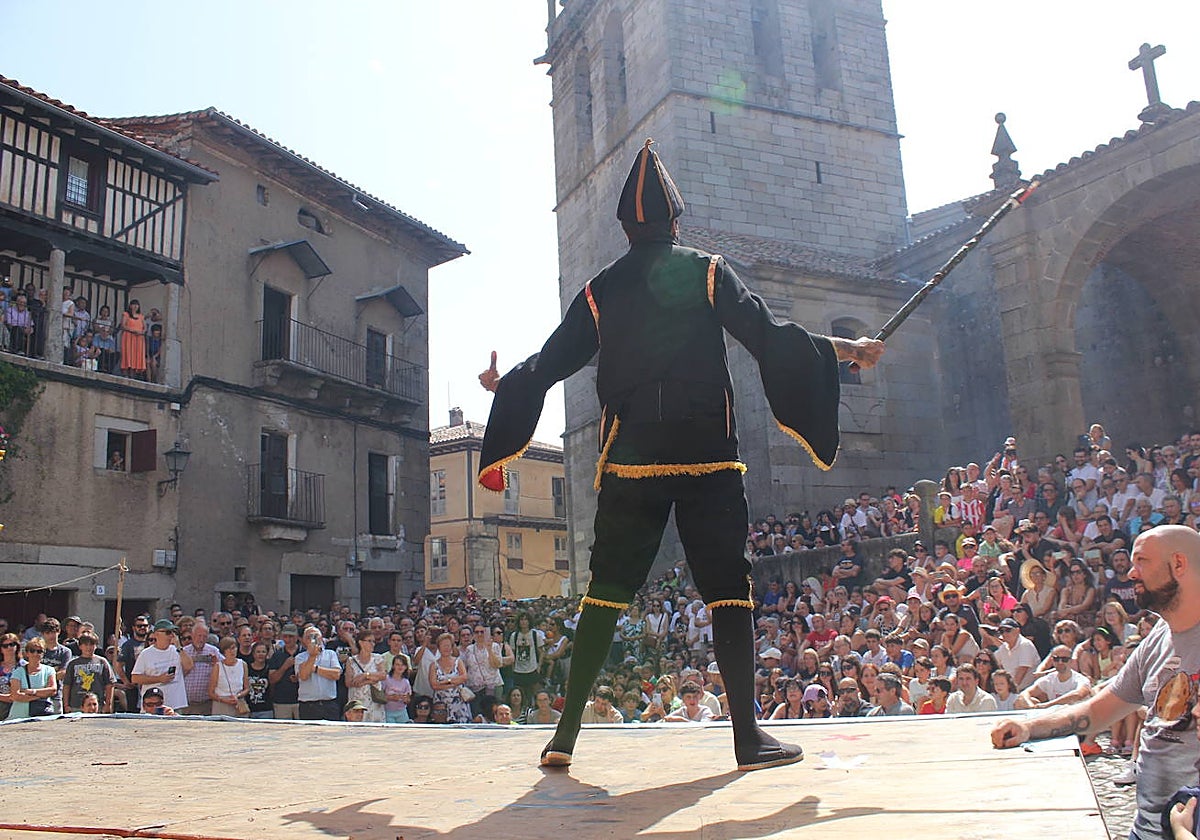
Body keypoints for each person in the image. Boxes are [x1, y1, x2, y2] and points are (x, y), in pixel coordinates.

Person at [476, 141, 884, 771]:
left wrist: (507, 390)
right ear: (675, 219)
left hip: (631, 463)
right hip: (707, 460)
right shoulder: (707, 269)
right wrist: (846, 350)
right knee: (728, 593)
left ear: (625, 226)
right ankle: (749, 738)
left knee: (605, 595)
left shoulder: (600, 289)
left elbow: (550, 361)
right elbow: (771, 340)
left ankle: (564, 736)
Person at [992, 526, 1200, 840]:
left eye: (1142, 561)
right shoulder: (1159, 636)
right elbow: (1101, 709)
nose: (1131, 573)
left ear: (1179, 564)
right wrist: (1030, 728)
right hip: (1147, 830)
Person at [130, 619, 191, 713]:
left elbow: (189, 666)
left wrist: (179, 646)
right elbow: (135, 678)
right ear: (156, 634)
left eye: (173, 632)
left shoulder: (177, 651)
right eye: (168, 632)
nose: (171, 635)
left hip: (175, 705)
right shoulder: (146, 654)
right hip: (152, 706)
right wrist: (159, 679)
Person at [295, 626, 342, 721]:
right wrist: (312, 656)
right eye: (309, 637)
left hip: (329, 705)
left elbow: (336, 674)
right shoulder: (300, 657)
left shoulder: (330, 654)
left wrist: (314, 669)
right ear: (304, 640)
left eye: (315, 636)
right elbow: (303, 676)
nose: (313, 639)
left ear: (321, 638)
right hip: (308, 706)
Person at [62, 632, 116, 713]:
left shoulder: (102, 662)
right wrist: (66, 705)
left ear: (96, 646)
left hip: (97, 705)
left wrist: (108, 704)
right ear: (80, 646)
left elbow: (110, 684)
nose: (88, 647)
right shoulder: (73, 663)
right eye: (85, 645)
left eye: (91, 644)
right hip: (76, 705)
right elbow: (67, 685)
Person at [8, 638, 56, 719]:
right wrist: (41, 695)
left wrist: (31, 692)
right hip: (19, 715)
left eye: (39, 651)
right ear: (27, 653)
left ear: (43, 653)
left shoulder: (49, 670)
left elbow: (52, 690)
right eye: (32, 651)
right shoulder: (18, 672)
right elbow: (15, 696)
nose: (35, 654)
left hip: (41, 715)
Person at [208, 636, 249, 717]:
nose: (232, 651)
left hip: (238, 704)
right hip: (221, 705)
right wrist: (224, 700)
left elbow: (246, 688)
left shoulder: (243, 664)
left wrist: (238, 696)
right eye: (228, 649)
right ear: (224, 652)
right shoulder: (217, 666)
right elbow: (211, 692)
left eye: (233, 648)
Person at [119, 299, 147, 379]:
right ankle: (125, 374)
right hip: (128, 337)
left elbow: (145, 328)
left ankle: (133, 375)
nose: (135, 306)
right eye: (134, 304)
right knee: (127, 354)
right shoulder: (126, 314)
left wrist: (141, 332)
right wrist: (132, 330)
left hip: (138, 338)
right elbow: (123, 325)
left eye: (137, 305)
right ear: (130, 306)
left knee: (136, 355)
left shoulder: (141, 316)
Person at [381, 653, 413, 724]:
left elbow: (408, 699)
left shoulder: (406, 682)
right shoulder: (386, 679)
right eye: (397, 664)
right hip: (388, 711)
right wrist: (391, 697)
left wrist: (405, 699)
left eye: (403, 665)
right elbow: (380, 695)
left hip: (402, 712)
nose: (400, 667)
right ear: (393, 666)